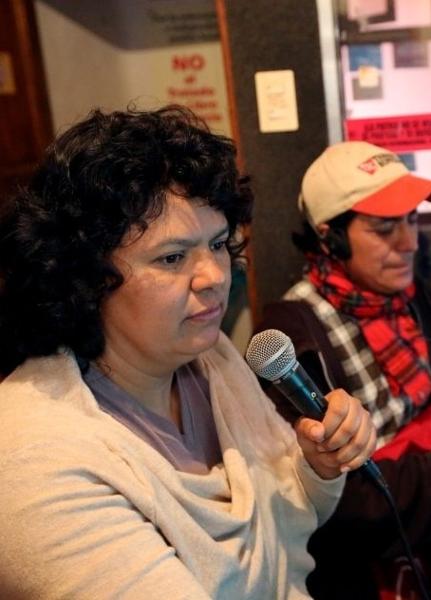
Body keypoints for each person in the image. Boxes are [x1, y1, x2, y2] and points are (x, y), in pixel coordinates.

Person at [0, 107, 375, 600]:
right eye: (173, 257)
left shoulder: (212, 359)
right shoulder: (34, 460)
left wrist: (317, 467)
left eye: (218, 244)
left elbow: (290, 517)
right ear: (85, 275)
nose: (215, 277)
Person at [255, 140, 431, 600]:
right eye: (385, 228)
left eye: (411, 219)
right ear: (331, 236)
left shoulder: (416, 298)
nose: (409, 242)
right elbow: (344, 504)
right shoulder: (292, 334)